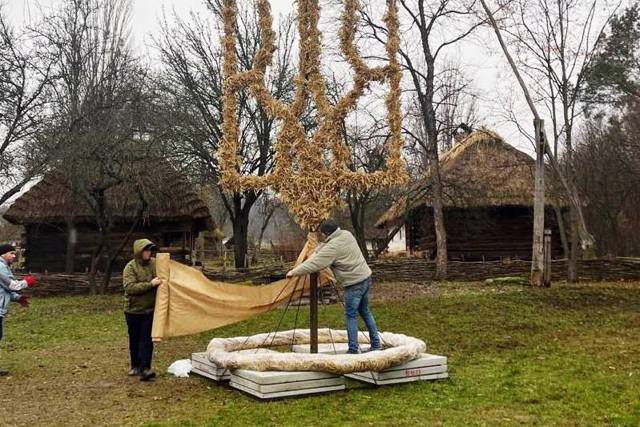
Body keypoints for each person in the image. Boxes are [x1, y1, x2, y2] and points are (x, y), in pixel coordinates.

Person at [286, 219, 381, 354]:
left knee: (351, 315)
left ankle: (353, 350)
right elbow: (324, 246)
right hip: (366, 278)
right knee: (365, 311)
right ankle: (376, 344)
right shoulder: (346, 234)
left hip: (353, 284)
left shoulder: (333, 248)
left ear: (326, 234)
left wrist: (294, 272)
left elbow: (315, 264)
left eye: (323, 235)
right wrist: (316, 249)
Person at [123, 239, 162, 381]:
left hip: (149, 310)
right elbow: (130, 287)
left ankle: (146, 368)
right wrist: (150, 284)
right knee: (134, 339)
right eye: (146, 250)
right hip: (133, 310)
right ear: (139, 252)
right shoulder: (130, 267)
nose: (148, 253)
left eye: (150, 250)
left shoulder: (154, 264)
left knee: (146, 339)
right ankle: (135, 365)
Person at [0, 244, 37, 376]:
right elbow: (12, 285)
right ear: (3, 254)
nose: (14, 256)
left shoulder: (4, 267)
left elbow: (5, 290)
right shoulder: (1, 267)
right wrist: (27, 281)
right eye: (11, 253)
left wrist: (18, 298)